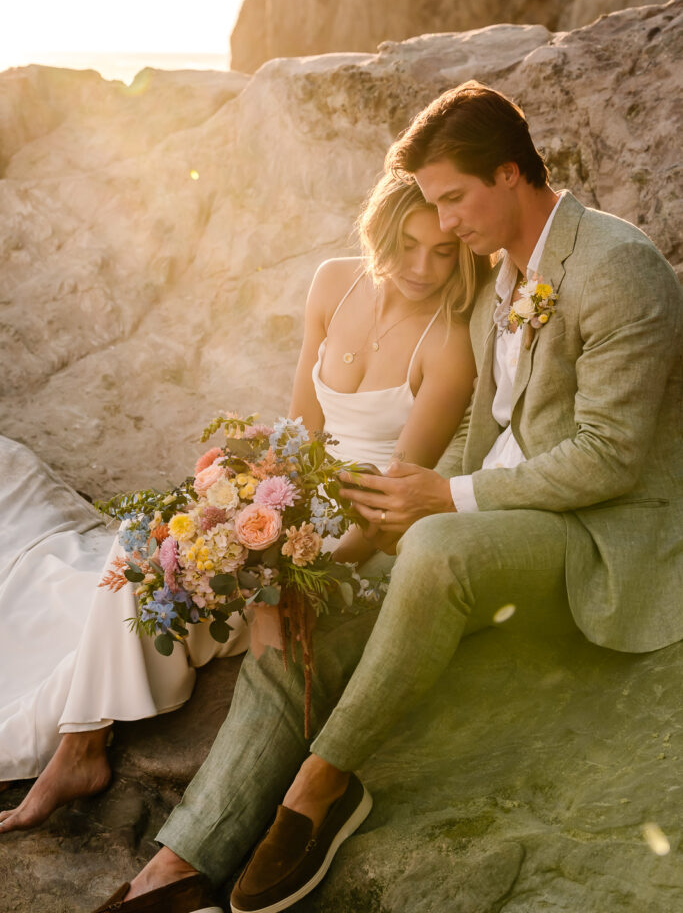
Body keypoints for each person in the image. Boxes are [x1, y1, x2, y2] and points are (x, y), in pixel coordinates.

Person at [85, 79, 682, 913]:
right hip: (499, 514)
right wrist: (341, 542)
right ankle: (179, 866)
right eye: (431, 204)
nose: (444, 223)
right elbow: (479, 421)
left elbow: (610, 459)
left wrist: (445, 497)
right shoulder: (499, 273)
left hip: (594, 535)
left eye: (452, 199)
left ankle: (322, 784)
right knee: (306, 624)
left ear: (509, 173)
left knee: (433, 545)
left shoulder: (617, 266)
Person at [0, 173, 482, 835]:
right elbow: (298, 435)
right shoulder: (333, 283)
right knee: (146, 543)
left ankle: (80, 751)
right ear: (378, 234)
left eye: (442, 251)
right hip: (291, 498)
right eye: (407, 246)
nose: (423, 267)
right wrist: (242, 501)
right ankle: (80, 751)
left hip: (351, 534)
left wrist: (290, 581)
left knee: (188, 575)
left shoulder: (449, 343)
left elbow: (391, 500)